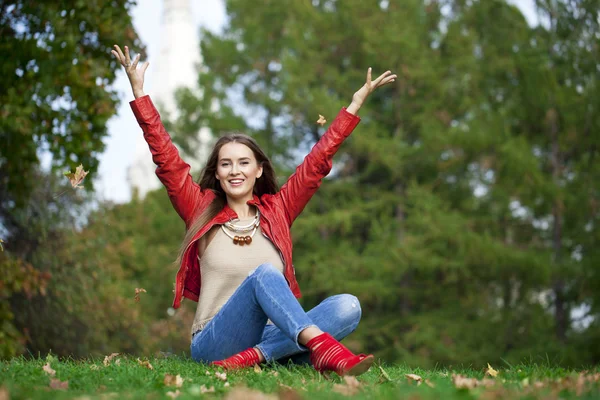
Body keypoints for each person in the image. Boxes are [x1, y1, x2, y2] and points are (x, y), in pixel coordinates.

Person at [111, 44, 396, 376]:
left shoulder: (277, 209)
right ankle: (316, 348)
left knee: (348, 306)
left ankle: (259, 356)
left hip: (269, 336)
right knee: (263, 274)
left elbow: (317, 163)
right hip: (214, 341)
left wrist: (354, 105)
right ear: (216, 172)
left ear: (259, 169)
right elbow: (167, 161)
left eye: (244, 162)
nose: (235, 170)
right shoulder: (199, 208)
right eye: (226, 164)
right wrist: (140, 94)